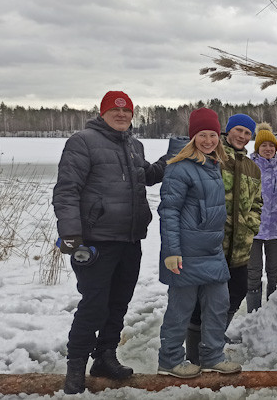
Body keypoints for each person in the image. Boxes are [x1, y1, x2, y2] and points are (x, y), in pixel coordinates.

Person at [52, 91, 167, 394]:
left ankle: (104, 356)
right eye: (115, 111)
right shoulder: (83, 141)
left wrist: (173, 158)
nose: (121, 115)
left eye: (126, 111)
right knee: (94, 304)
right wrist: (71, 236)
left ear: (132, 115)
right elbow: (67, 191)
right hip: (95, 241)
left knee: (118, 303)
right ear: (102, 113)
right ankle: (75, 364)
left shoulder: (133, 145)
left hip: (130, 239)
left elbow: (148, 175)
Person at [157, 108, 241, 378]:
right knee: (180, 310)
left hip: (210, 249)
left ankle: (213, 356)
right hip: (185, 252)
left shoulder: (212, 163)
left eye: (213, 134)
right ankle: (169, 360)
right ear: (193, 137)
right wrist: (171, 251)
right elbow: (169, 210)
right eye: (202, 135)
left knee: (219, 304)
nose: (208, 140)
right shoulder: (180, 168)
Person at [185, 113, 262, 362]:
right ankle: (196, 355)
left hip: (240, 248)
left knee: (236, 293)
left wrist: (251, 225)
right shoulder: (212, 157)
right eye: (238, 130)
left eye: (247, 133)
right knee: (201, 301)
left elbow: (257, 203)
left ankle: (214, 340)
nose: (242, 136)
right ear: (227, 131)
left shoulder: (253, 167)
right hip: (211, 245)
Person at [248, 122, 277, 312]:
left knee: (274, 271)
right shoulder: (248, 166)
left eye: (271, 145)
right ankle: (254, 313)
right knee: (252, 273)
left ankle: (271, 313)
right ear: (257, 147)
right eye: (264, 145)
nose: (268, 149)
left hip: (276, 230)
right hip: (252, 230)